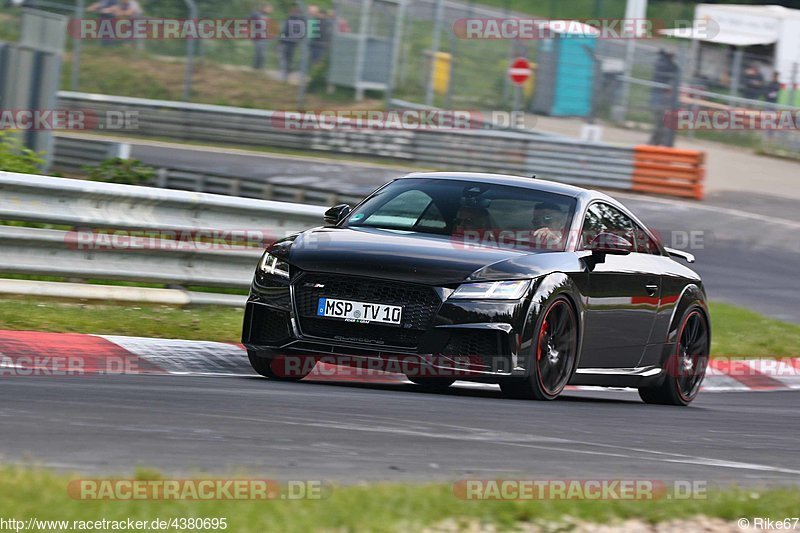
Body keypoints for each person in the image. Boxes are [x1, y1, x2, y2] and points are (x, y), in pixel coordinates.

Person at [279, 5, 305, 82]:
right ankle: (288, 72)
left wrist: (280, 41)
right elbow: (302, 34)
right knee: (290, 58)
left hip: (286, 42)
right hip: (294, 43)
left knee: (284, 58)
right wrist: (298, 40)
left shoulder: (287, 20)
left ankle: (285, 74)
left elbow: (283, 31)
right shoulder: (301, 21)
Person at [249, 4, 273, 70]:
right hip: (258, 38)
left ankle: (260, 68)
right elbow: (250, 18)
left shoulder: (267, 17)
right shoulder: (257, 14)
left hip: (265, 38)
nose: (270, 10)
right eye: (269, 8)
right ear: (264, 8)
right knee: (259, 53)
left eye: (270, 9)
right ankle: (255, 67)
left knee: (263, 54)